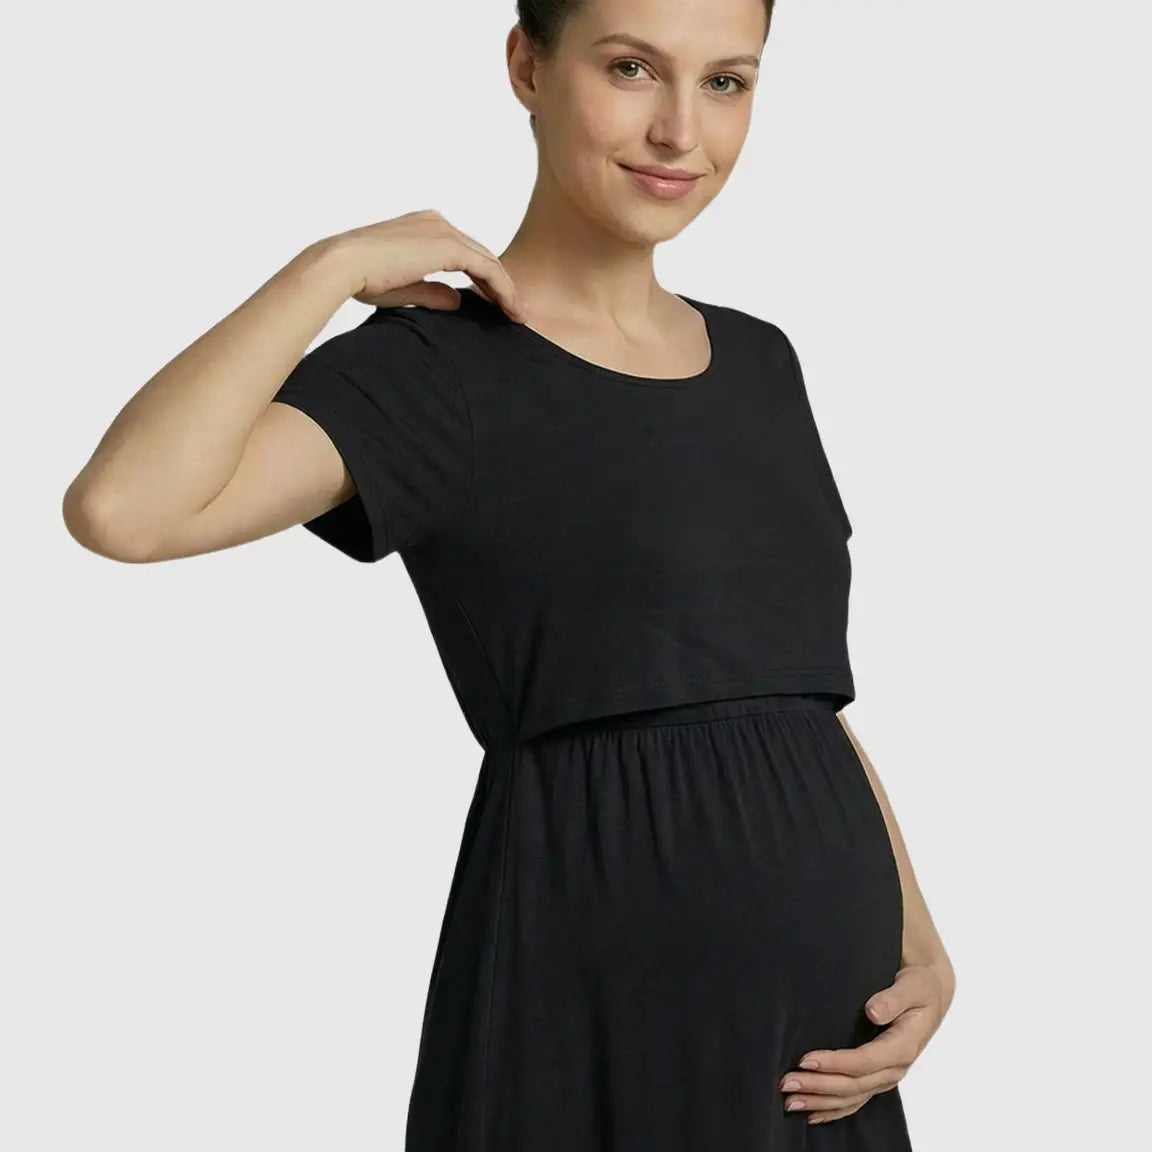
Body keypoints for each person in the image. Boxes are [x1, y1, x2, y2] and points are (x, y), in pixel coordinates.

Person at [63, 0, 956, 1146]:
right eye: (631, 69)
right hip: (591, 1001)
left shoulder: (762, 361)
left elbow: (797, 694)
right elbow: (124, 510)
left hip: (822, 1056)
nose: (681, 131)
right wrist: (328, 268)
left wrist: (917, 938)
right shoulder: (438, 372)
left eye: (726, 82)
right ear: (528, 65)